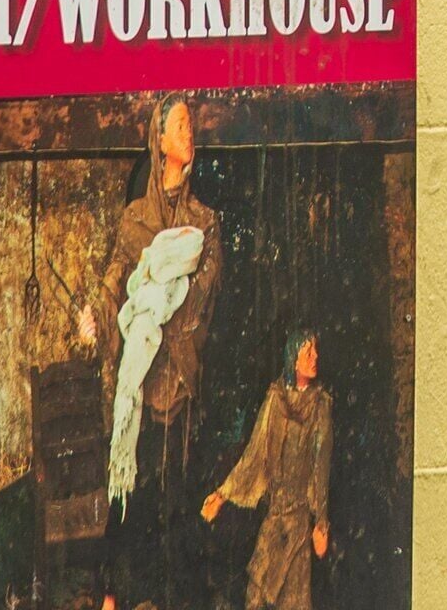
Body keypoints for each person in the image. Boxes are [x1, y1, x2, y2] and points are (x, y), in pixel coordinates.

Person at [81, 97, 225, 610]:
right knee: (130, 498)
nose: (191, 134)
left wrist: (158, 305)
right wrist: (97, 317)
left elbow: (200, 303)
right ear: (159, 140)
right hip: (137, 384)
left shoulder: (205, 223)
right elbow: (114, 283)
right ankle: (120, 597)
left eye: (191, 127)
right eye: (181, 126)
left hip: (177, 382)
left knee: (176, 499)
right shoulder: (134, 219)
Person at [204, 334, 336, 610]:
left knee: (295, 598)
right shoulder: (275, 399)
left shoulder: (321, 406)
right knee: (257, 591)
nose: (315, 358)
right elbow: (255, 454)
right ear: (293, 358)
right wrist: (222, 494)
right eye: (307, 352)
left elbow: (319, 468)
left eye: (315, 352)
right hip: (275, 516)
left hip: (299, 520)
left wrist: (320, 523)